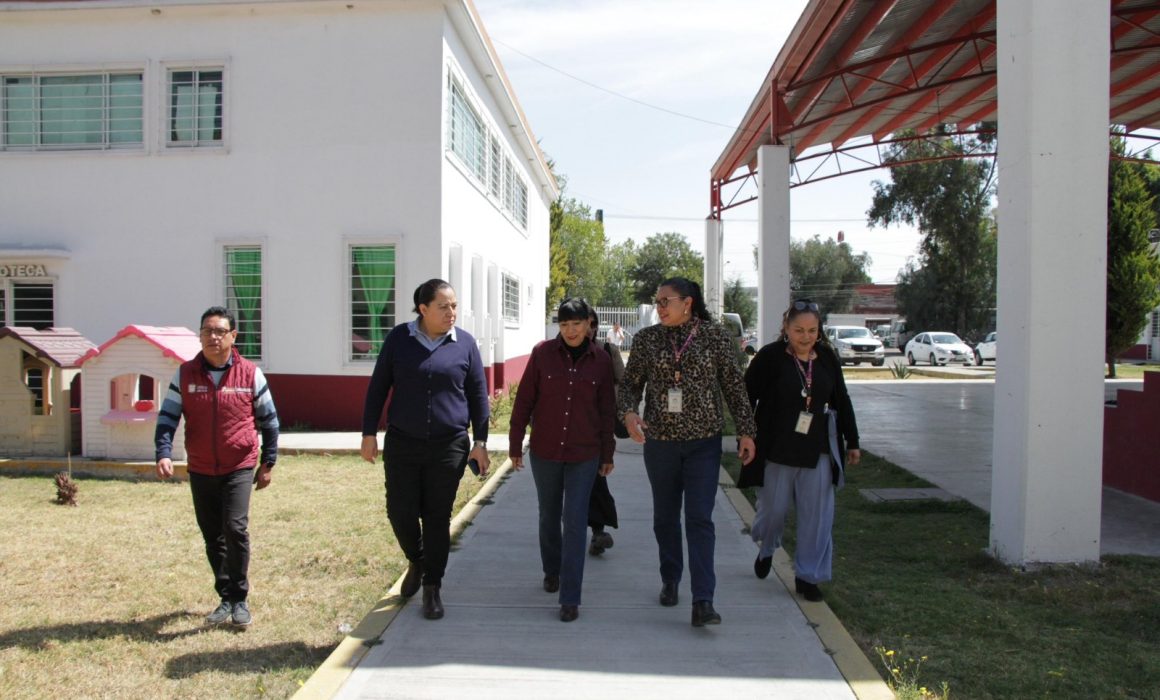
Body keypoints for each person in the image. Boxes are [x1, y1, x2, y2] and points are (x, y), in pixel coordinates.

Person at [619, 277, 757, 627]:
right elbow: (628, 386)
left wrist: (746, 432)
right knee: (665, 518)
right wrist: (630, 413)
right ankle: (670, 577)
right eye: (657, 301)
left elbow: (734, 389)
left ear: (688, 303)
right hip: (661, 443)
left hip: (703, 445)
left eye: (667, 300)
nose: (660, 307)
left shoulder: (714, 338)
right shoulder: (648, 340)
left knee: (699, 519)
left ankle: (703, 600)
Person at [361, 279, 490, 621]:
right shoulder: (399, 340)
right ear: (423, 309)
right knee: (400, 511)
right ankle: (416, 560)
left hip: (449, 446)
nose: (452, 313)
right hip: (403, 442)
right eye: (444, 306)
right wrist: (368, 433)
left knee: (436, 517)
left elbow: (478, 394)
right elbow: (378, 387)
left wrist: (480, 442)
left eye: (454, 306)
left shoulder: (464, 344)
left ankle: (432, 587)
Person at [154, 306, 280, 628]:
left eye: (220, 331)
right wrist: (164, 452)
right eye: (207, 331)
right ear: (200, 336)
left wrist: (268, 463)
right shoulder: (184, 375)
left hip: (238, 465)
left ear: (233, 336)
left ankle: (240, 598)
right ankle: (225, 596)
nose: (213, 337)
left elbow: (270, 422)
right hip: (200, 468)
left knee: (234, 529)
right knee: (213, 535)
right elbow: (168, 417)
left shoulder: (251, 374)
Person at [741, 299, 861, 602]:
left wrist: (853, 441)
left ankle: (809, 577)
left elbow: (841, 399)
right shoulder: (769, 357)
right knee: (773, 513)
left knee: (817, 517)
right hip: (776, 448)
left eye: (812, 330)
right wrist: (746, 434)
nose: (806, 337)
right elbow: (745, 397)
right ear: (786, 328)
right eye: (798, 330)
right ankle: (767, 547)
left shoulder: (827, 359)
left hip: (817, 448)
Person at [509, 297, 616, 622]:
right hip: (546, 451)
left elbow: (606, 410)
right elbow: (525, 398)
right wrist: (515, 444)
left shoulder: (601, 360)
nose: (570, 330)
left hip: (584, 454)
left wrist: (607, 453)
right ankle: (551, 570)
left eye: (577, 324)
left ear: (588, 325)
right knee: (549, 515)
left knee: (574, 521)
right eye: (565, 325)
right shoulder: (542, 354)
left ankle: (571, 597)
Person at [586, 307, 623, 555]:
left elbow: (625, 382)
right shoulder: (552, 352)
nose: (583, 329)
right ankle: (590, 532)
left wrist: (620, 412)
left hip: (598, 430)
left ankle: (597, 532)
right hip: (567, 432)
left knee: (595, 481)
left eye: (589, 324)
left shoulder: (608, 351)